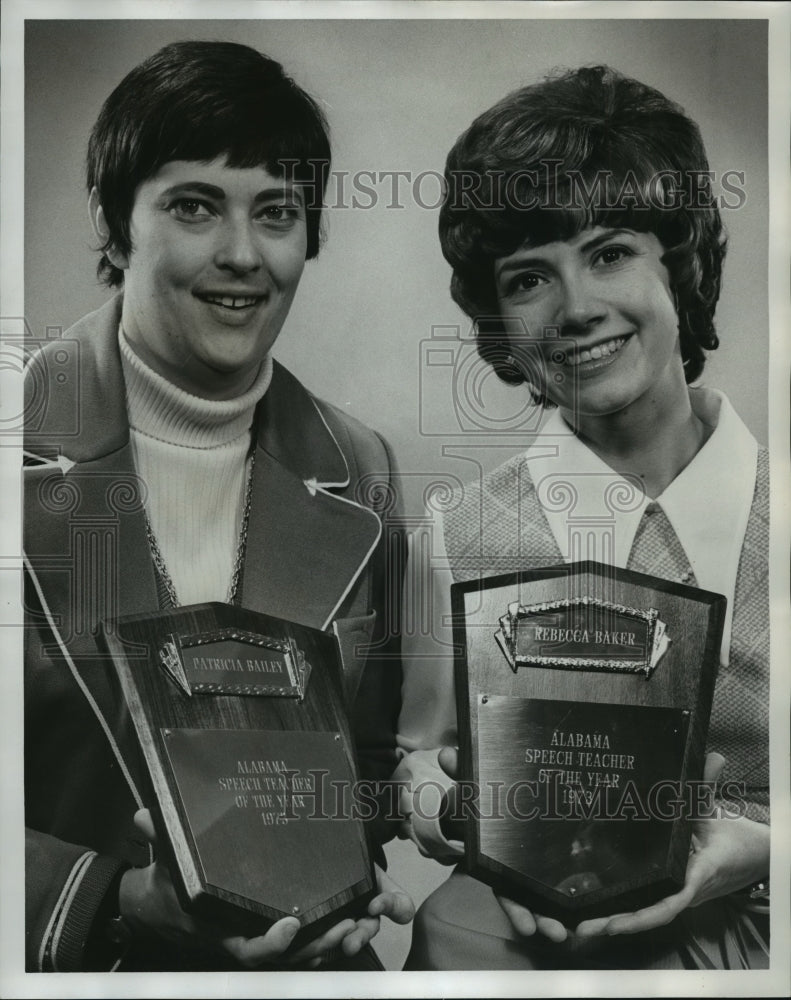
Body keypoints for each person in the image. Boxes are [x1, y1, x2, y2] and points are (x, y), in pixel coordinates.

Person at [23, 40, 411, 972]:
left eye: (276, 213)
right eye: (195, 206)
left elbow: (363, 764)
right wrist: (109, 902)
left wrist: (341, 875)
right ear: (115, 227)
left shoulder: (362, 471)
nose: (242, 255)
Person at [395, 65, 770, 970]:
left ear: (679, 263)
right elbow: (411, 759)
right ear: (499, 320)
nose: (576, 310)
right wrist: (453, 812)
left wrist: (764, 851)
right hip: (526, 955)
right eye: (529, 278)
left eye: (609, 252)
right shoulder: (455, 534)